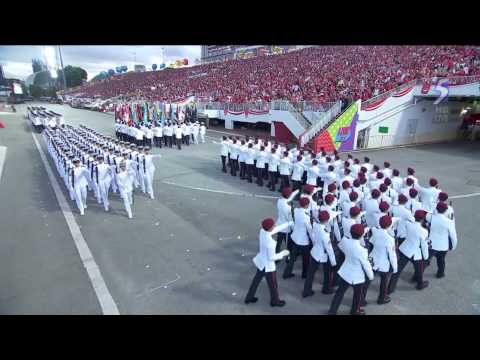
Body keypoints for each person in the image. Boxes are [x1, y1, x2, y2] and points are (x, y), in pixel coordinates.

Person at [328, 224, 374, 315]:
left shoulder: (345, 241)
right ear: (361, 235)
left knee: (339, 293)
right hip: (357, 276)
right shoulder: (362, 250)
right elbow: (366, 266)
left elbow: (341, 246)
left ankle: (332, 310)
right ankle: (355, 310)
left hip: (346, 271)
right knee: (357, 295)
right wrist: (371, 276)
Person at [244, 218, 291, 307]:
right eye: (273, 225)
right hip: (268, 266)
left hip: (261, 262)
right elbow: (272, 257)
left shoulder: (263, 231)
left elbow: (274, 230)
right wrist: (282, 253)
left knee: (256, 281)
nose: (275, 226)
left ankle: (249, 297)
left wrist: (287, 224)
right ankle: (275, 301)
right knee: (273, 285)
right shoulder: (271, 243)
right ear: (269, 228)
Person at [388, 210, 430, 293]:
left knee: (398, 270)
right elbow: (424, 246)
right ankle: (420, 284)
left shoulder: (408, 224)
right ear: (423, 219)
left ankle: (390, 288)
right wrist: (426, 257)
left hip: (405, 249)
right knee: (419, 269)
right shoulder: (424, 231)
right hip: (415, 252)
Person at [302, 210, 337, 297]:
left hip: (315, 251)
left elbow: (313, 237)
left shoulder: (315, 225)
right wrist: (333, 261)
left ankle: (306, 290)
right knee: (327, 272)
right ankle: (326, 288)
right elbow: (329, 248)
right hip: (323, 255)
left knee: (310, 273)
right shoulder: (325, 233)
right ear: (327, 220)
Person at [367, 215, 398, 304]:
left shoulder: (375, 231)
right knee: (384, 281)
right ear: (389, 225)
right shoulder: (390, 239)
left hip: (373, 258)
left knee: (367, 281)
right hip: (383, 262)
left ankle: (362, 299)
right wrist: (395, 268)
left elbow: (371, 241)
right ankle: (382, 298)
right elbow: (392, 255)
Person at [283, 197, 313, 280]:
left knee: (292, 258)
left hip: (295, 237)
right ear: (306, 205)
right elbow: (310, 230)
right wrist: (313, 241)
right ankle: (305, 274)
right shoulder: (306, 217)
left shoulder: (296, 211)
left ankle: (287, 273)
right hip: (303, 241)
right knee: (306, 259)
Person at [427, 201, 458, 278]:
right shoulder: (449, 222)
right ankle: (440, 273)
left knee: (425, 259)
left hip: (431, 244)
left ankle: (417, 275)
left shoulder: (430, 217)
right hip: (443, 245)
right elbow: (453, 236)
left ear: (436, 209)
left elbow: (427, 217)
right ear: (445, 211)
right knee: (441, 260)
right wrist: (453, 246)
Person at [276, 187, 299, 254]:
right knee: (288, 244)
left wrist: (295, 192)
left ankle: (276, 255)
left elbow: (288, 198)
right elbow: (290, 220)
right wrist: (294, 229)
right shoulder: (287, 208)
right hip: (285, 228)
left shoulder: (279, 201)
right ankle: (289, 257)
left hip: (279, 224)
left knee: (279, 243)